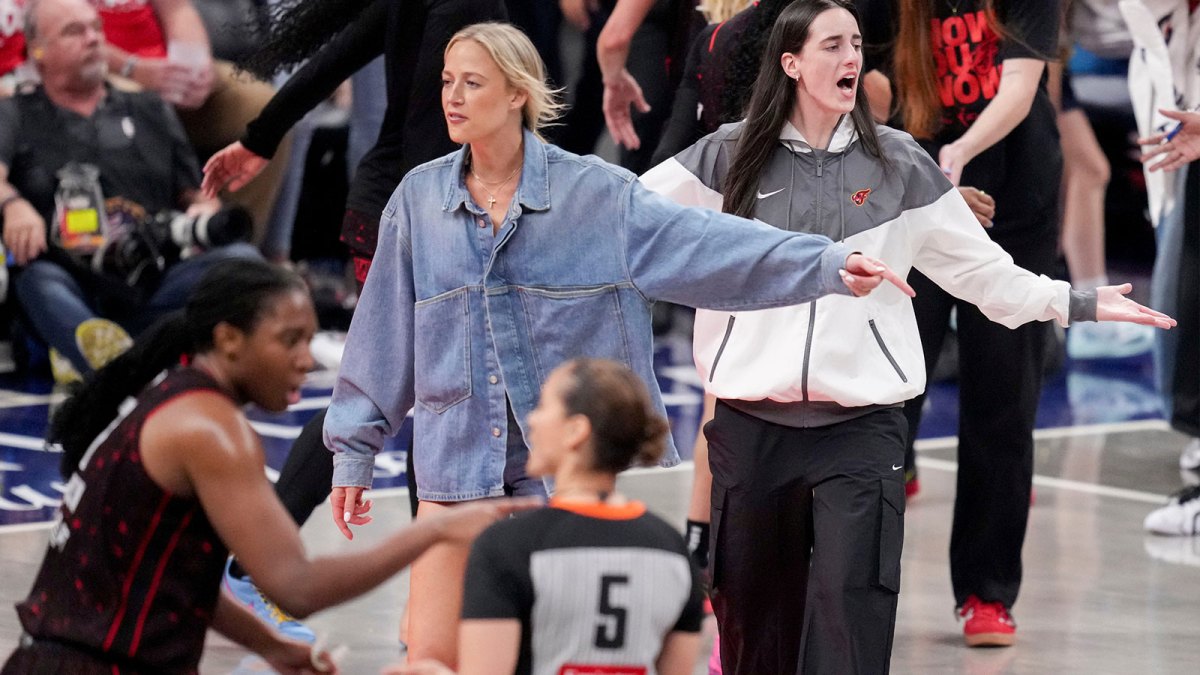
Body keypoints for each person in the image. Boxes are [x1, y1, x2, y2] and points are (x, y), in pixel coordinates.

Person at [324, 19, 913, 668]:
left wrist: (825, 264)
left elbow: (712, 246)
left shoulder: (597, 196)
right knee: (428, 659)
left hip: (560, 483)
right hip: (453, 474)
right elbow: (380, 340)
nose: (452, 97)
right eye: (446, 82)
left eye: (472, 82)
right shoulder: (417, 202)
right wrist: (354, 450)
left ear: (517, 93)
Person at [640, 0, 1173, 671]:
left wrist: (1081, 302)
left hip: (860, 433)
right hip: (751, 430)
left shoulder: (899, 163)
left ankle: (982, 590)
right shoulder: (727, 156)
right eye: (832, 45)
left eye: (857, 43)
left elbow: (990, 277)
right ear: (792, 63)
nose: (852, 58)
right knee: (754, 640)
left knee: (851, 631)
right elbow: (632, 218)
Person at [1, 258, 539, 674]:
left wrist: (272, 646)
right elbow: (296, 587)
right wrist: (438, 529)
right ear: (229, 340)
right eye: (289, 341)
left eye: (309, 340)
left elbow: (171, 576)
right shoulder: (210, 430)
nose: (308, 359)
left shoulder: (174, 399)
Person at [200, 0, 509, 641]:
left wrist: (260, 138)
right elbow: (438, 120)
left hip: (406, 203)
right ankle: (260, 572)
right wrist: (452, 220)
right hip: (421, 211)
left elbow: (331, 57)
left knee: (415, 397)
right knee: (423, 399)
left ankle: (424, 594)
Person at [854, 0, 1074, 646]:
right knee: (887, 394)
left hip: (1013, 200)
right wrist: (918, 172)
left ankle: (986, 590)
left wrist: (958, 156)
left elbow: (1020, 86)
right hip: (914, 196)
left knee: (1003, 396)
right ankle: (857, 582)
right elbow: (866, 81)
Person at [393, 358, 704, 675]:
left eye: (542, 406)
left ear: (575, 431)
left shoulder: (506, 548)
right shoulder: (673, 551)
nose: (532, 419)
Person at [0, 0, 257, 380]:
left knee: (244, 259)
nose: (93, 40)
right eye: (75, 31)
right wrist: (12, 204)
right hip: (71, 279)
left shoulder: (149, 108)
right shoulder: (15, 111)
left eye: (96, 29)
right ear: (38, 49)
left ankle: (104, 354)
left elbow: (194, 192)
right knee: (35, 280)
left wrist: (204, 210)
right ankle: (117, 368)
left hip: (153, 278)